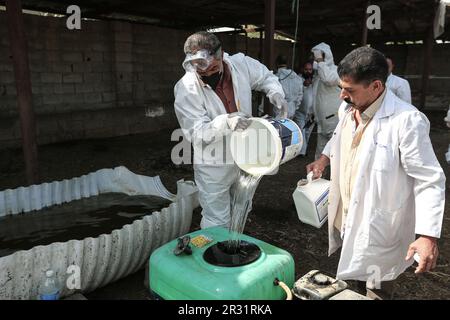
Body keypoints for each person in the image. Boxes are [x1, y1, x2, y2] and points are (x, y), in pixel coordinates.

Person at [306, 46, 445, 299]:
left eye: (349, 90)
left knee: (377, 287)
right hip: (348, 214)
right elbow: (339, 137)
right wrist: (324, 159)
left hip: (379, 224)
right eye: (341, 87)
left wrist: (427, 236)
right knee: (356, 274)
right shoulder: (348, 109)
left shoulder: (406, 121)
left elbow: (429, 179)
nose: (341, 96)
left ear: (376, 86)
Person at [174, 31, 287, 229]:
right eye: (202, 72)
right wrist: (226, 122)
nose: (208, 75)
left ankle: (233, 249)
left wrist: (275, 92)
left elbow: (265, 77)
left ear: (221, 54)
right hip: (214, 162)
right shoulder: (186, 88)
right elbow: (196, 133)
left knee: (242, 207)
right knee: (216, 219)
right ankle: (215, 255)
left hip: (246, 153)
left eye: (213, 69)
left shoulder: (240, 64)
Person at [310, 42, 342, 159]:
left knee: (334, 154)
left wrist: (320, 60)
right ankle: (317, 176)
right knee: (320, 155)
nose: (315, 60)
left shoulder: (336, 71)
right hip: (321, 122)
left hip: (333, 121)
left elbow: (328, 79)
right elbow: (316, 96)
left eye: (317, 57)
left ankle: (335, 177)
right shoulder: (319, 74)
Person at [294, 61, 316, 156]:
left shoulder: (315, 80)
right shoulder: (297, 79)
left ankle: (304, 150)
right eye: (306, 69)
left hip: (311, 112)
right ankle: (301, 152)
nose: (308, 71)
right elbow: (296, 93)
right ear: (302, 69)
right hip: (300, 111)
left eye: (310, 69)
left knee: (308, 131)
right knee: (301, 129)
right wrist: (304, 85)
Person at [274, 55, 303, 119]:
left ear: (276, 63)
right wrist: (295, 107)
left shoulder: (275, 78)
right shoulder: (298, 78)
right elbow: (299, 96)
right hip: (292, 110)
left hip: (279, 110)